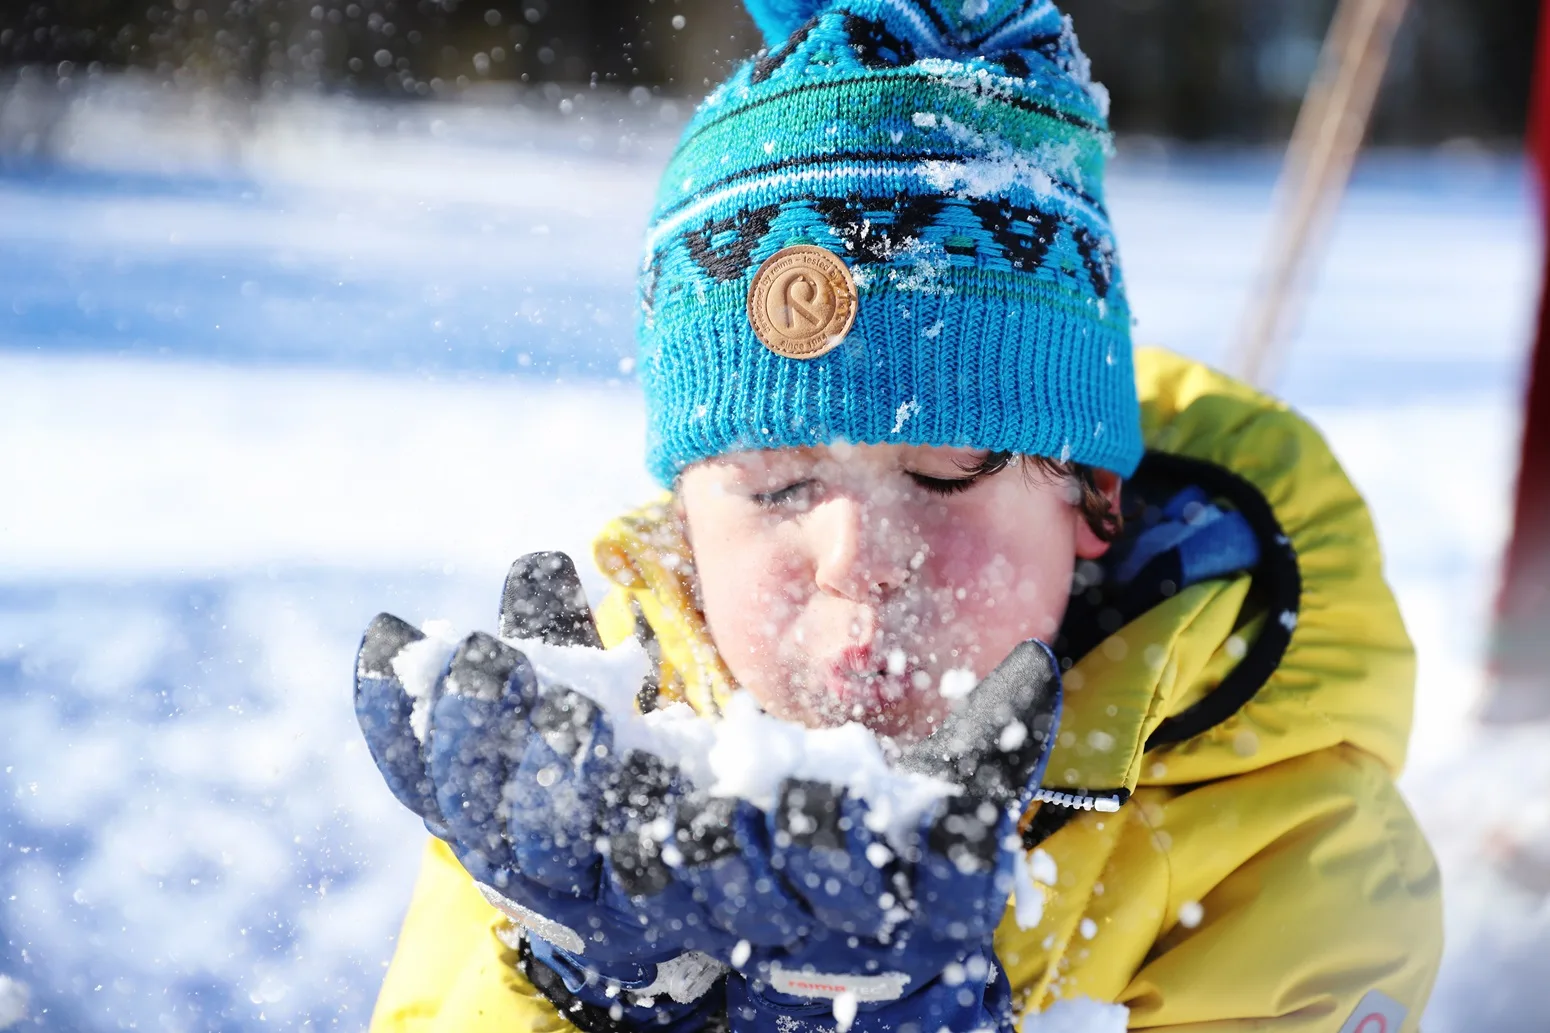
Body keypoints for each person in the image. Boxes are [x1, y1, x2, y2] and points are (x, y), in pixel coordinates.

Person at [360, 1, 1442, 1029]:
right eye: (776, 484)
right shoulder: (563, 782)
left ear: (1090, 500)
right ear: (685, 515)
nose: (854, 557)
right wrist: (571, 996)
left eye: (942, 470)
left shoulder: (1279, 836)